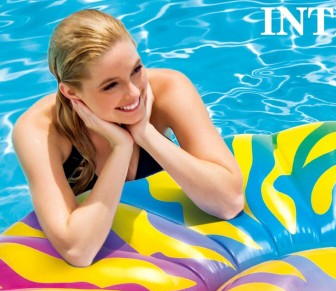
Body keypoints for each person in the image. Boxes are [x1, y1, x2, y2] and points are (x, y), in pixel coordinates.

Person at [12, 9, 244, 267]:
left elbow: (229, 202)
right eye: (111, 85)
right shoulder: (40, 131)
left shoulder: (169, 89)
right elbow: (78, 251)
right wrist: (121, 148)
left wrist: (146, 134)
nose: (134, 93)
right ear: (71, 92)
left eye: (136, 69)